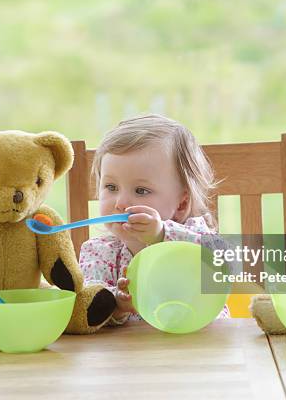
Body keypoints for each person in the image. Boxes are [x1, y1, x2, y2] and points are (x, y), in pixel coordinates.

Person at [80, 114, 228, 325]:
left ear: (181, 203)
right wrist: (117, 306)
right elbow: (87, 310)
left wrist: (161, 236)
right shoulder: (98, 253)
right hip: (131, 355)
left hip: (201, 349)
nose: (120, 203)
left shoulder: (196, 234)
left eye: (141, 190)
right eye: (111, 187)